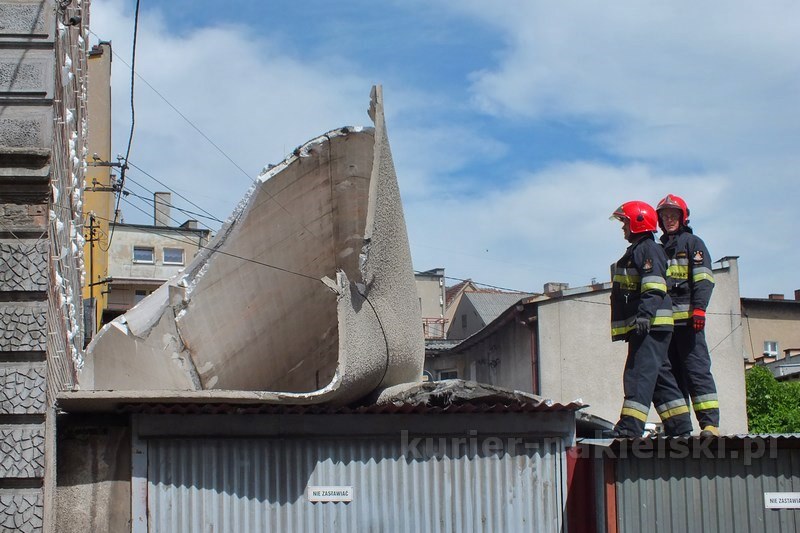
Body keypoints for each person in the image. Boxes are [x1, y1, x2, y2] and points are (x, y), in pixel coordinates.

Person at [608, 201, 693, 438]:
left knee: (638, 374)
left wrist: (644, 316)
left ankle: (630, 427)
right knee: (660, 378)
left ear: (637, 222)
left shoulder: (647, 249)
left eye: (624, 222)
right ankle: (680, 426)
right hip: (652, 325)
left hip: (650, 324)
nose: (622, 227)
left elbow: (654, 286)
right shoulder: (640, 249)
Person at [656, 194, 720, 437]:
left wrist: (700, 309)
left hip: (690, 324)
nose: (669, 219)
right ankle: (680, 428)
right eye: (665, 216)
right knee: (672, 376)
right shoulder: (659, 249)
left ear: (682, 218)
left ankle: (710, 425)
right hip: (666, 326)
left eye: (673, 215)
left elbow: (704, 279)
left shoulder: (693, 244)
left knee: (697, 371)